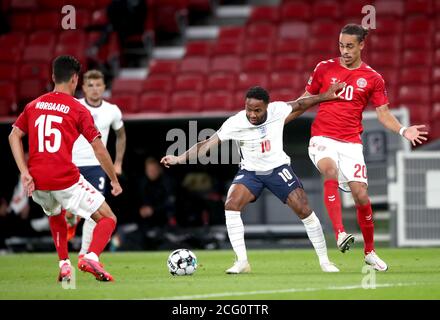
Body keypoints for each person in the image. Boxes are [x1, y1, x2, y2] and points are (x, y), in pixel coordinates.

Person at [286, 24, 428, 271]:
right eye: (341, 45)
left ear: (362, 45)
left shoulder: (373, 78)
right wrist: (277, 124)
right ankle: (340, 233)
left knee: (361, 195)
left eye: (350, 46)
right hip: (322, 137)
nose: (345, 51)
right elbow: (303, 102)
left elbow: (383, 115)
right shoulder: (324, 68)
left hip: (351, 143)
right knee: (328, 170)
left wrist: (404, 130)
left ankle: (370, 252)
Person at [161, 83, 345, 274]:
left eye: (258, 110)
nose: (253, 114)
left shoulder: (278, 110)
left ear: (267, 106)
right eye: (249, 109)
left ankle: (325, 261)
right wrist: (179, 158)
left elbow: (301, 104)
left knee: (304, 209)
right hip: (251, 173)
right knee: (231, 204)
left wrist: (326, 96)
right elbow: (207, 144)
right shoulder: (236, 122)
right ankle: (242, 262)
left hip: (277, 168)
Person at [8, 55, 122, 282]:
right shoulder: (77, 109)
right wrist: (114, 180)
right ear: (75, 79)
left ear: (52, 77)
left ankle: (64, 265)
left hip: (37, 181)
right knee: (108, 218)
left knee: (55, 214)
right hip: (64, 178)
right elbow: (99, 149)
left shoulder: (34, 105)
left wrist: (24, 171)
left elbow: (14, 135)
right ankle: (90, 256)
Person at [66, 69, 126, 262]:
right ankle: (71, 219)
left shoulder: (112, 110)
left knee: (96, 211)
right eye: (90, 85)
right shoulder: (74, 105)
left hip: (95, 166)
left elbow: (121, 136)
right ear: (83, 87)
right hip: (72, 164)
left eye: (98, 85)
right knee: (69, 212)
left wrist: (117, 162)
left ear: (104, 87)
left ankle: (84, 253)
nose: (94, 89)